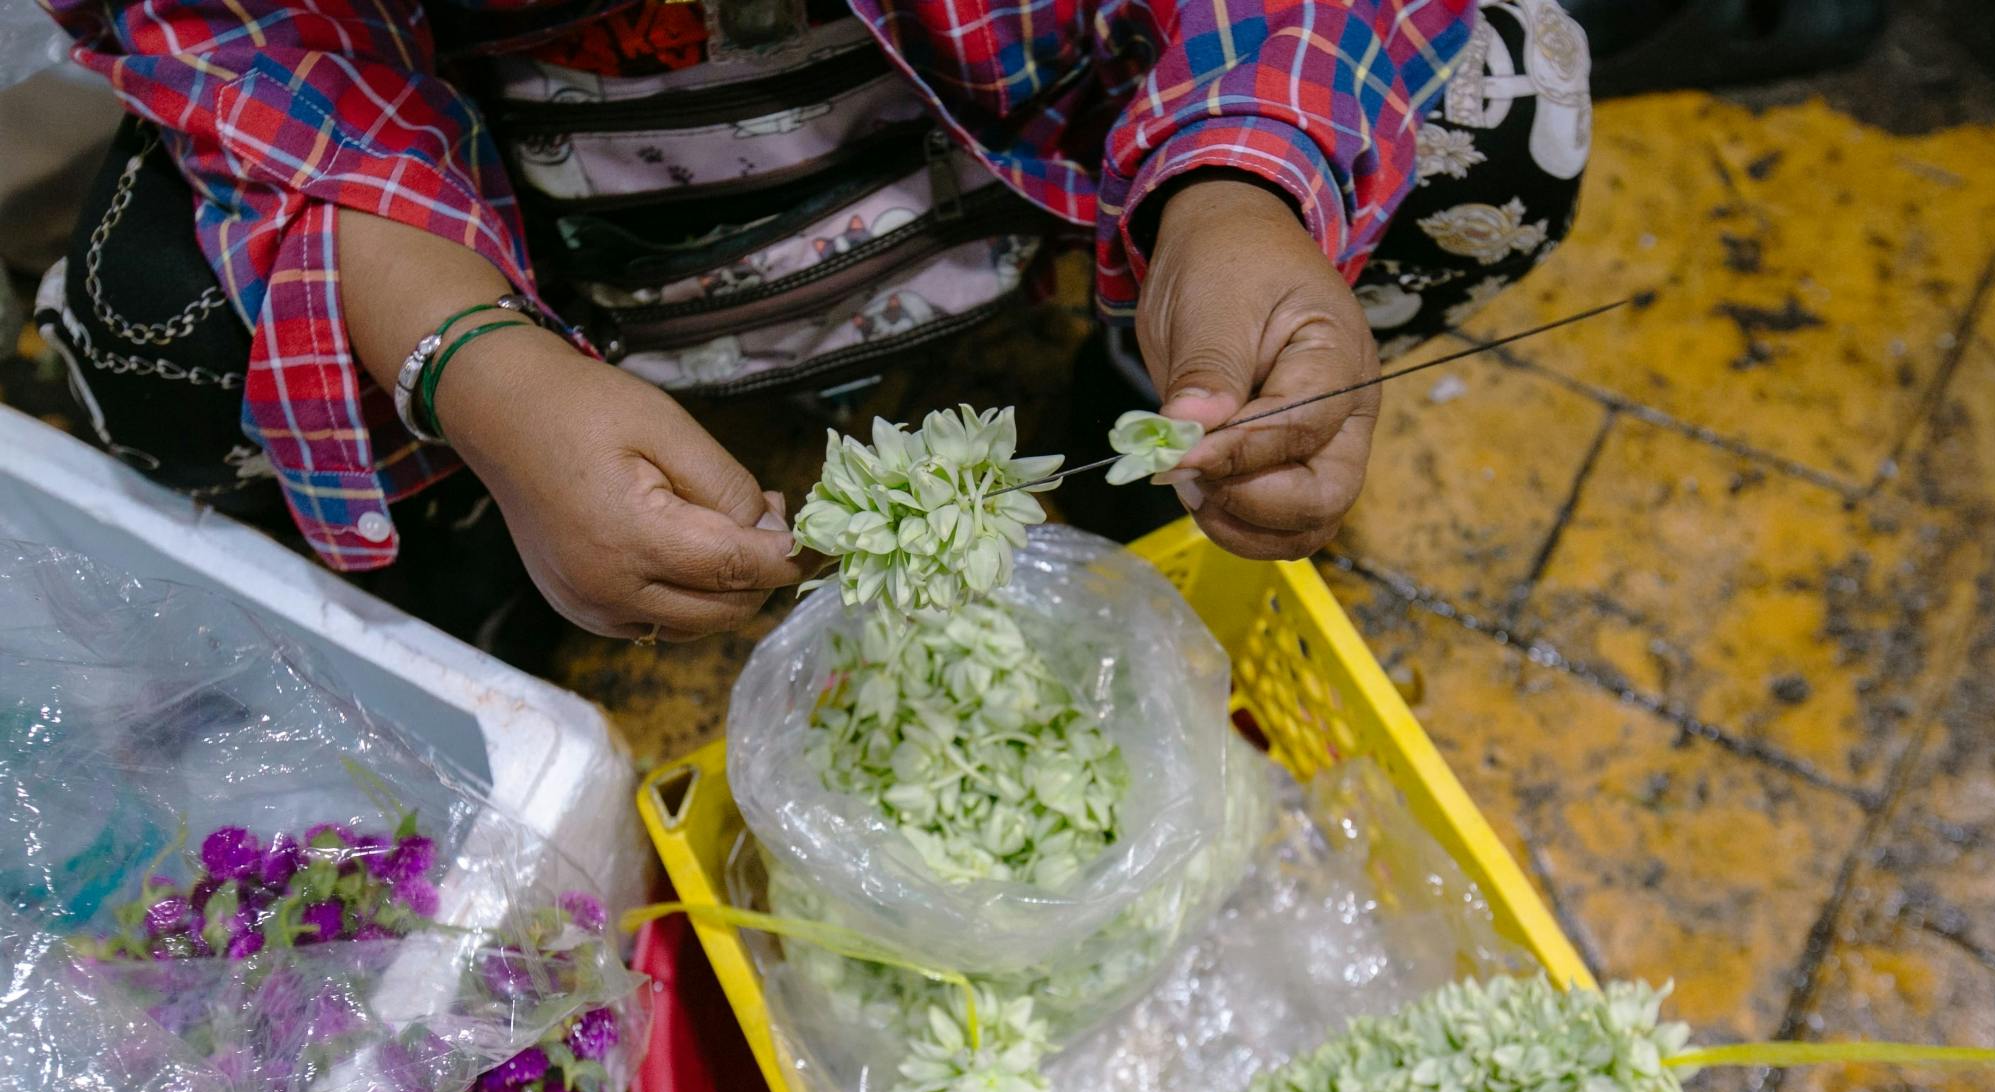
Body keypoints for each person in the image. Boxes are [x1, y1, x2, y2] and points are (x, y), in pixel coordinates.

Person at [31, 0, 1591, 649]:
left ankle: (1160, 404)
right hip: (562, 208)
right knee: (153, 330)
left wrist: (1238, 192)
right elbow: (251, 43)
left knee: (1498, 122)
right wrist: (475, 367)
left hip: (1010, 159)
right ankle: (493, 541)